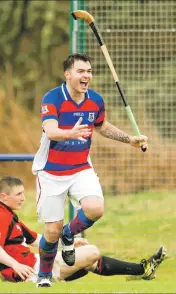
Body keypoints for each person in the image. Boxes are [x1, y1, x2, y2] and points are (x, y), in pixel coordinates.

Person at [32, 53, 148, 287]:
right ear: (68, 74)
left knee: (95, 208)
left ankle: (69, 233)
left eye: (89, 71)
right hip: (51, 172)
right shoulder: (53, 98)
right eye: (81, 71)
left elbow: (101, 125)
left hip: (81, 167)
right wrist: (70, 133)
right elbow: (51, 130)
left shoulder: (95, 100)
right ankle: (44, 275)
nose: (87, 76)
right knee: (51, 232)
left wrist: (129, 139)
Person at [0, 176, 166, 284]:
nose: (23, 198)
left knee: (89, 260)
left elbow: (38, 240)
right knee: (92, 252)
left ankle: (143, 270)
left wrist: (66, 244)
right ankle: (143, 270)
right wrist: (15, 266)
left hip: (35, 264)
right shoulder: (0, 216)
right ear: (4, 196)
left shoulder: (8, 215)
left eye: (23, 193)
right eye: (19, 194)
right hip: (33, 270)